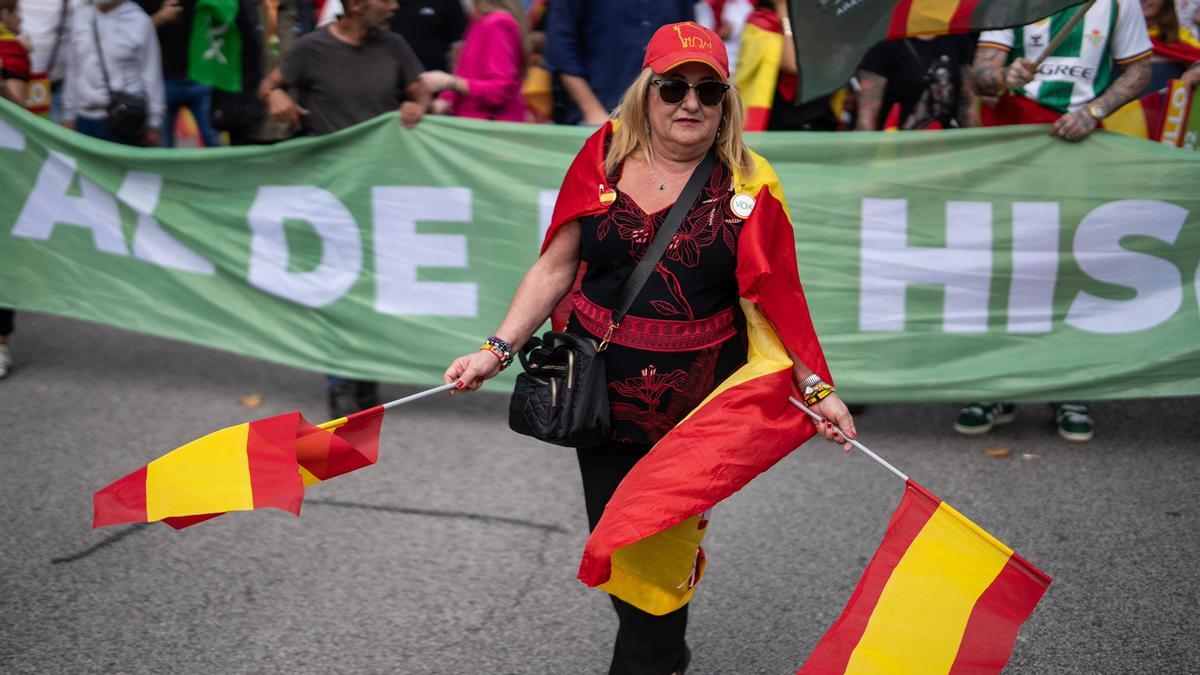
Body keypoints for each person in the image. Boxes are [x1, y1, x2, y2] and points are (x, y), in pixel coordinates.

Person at [443, 21, 854, 674]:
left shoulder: (751, 183)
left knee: (652, 585)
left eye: (708, 90)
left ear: (726, 101)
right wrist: (495, 348)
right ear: (647, 91)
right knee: (623, 557)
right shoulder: (602, 154)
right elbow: (554, 266)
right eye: (673, 87)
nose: (690, 103)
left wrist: (818, 390)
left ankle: (656, 656)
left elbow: (781, 300)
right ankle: (661, 648)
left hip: (696, 415)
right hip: (599, 403)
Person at [257, 0, 429, 417]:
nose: (394, 5)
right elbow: (269, 85)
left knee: (372, 287)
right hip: (330, 191)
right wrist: (276, 96)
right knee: (336, 288)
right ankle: (340, 382)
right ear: (353, 4)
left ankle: (364, 374)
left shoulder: (394, 45)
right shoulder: (311, 48)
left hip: (381, 191)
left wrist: (416, 103)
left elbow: (419, 86)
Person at [972, 0, 1152, 142]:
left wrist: (1093, 112)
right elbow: (979, 79)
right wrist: (1004, 76)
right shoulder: (1008, 3)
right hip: (1016, 129)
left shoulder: (1121, 2)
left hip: (1083, 134)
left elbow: (1140, 70)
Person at [542, 0, 693, 125]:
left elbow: (689, 43)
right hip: (600, 116)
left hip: (664, 118)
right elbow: (560, 48)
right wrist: (592, 110)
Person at [62, 0, 165, 146]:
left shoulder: (140, 21)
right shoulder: (80, 17)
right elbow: (73, 69)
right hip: (84, 121)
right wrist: (69, 116)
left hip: (124, 122)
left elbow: (152, 75)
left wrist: (154, 124)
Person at [133, 0, 223, 147]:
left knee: (214, 142)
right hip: (163, 82)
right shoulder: (138, 6)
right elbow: (131, 34)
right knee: (163, 149)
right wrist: (159, 18)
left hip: (200, 77)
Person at [421, 0, 525, 121]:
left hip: (490, 130)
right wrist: (446, 98)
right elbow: (467, 74)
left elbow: (499, 91)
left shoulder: (498, 23)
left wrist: (450, 82)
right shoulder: (478, 22)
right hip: (472, 124)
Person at [856, 34, 977, 130]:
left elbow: (965, 105)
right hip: (894, 147)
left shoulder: (956, 38)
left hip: (940, 147)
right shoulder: (884, 44)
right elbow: (867, 119)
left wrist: (978, 147)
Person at [1141, 0, 1200, 92]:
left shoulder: (1181, 37)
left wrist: (1196, 70)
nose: (1142, 0)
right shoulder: (1116, 35)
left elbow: (1197, 57)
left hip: (1163, 104)